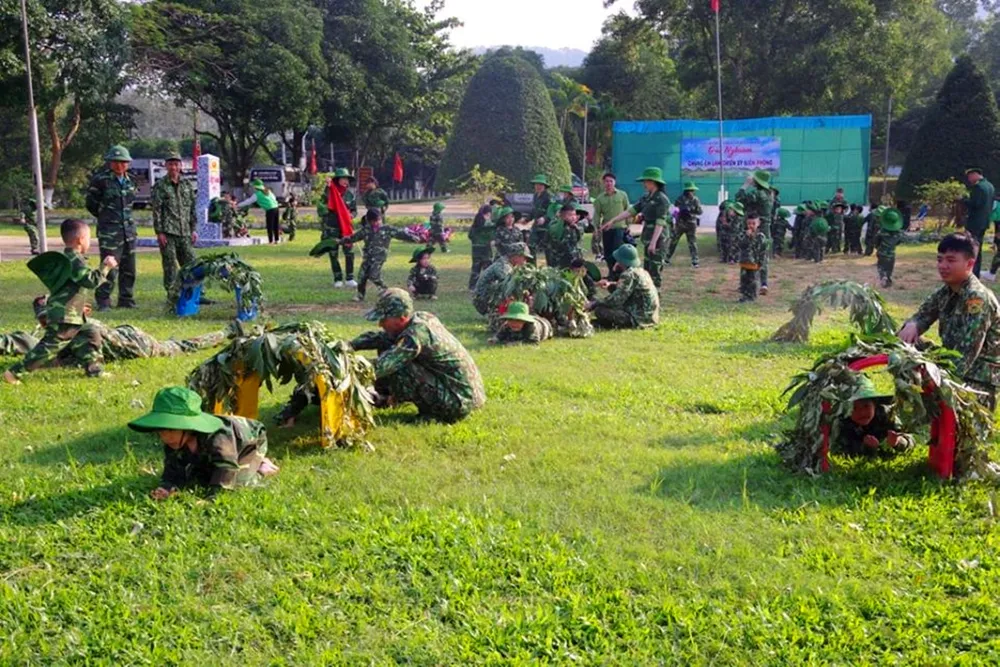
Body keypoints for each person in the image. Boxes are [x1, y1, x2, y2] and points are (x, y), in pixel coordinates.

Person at [3, 218, 117, 384]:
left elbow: (70, 288)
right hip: (65, 315)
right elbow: (90, 281)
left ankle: (95, 369)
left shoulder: (70, 258)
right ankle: (14, 373)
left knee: (91, 333)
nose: (90, 243)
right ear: (80, 240)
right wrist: (105, 267)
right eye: (88, 238)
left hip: (72, 313)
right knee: (49, 347)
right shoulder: (74, 260)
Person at [350, 289, 486, 422]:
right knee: (386, 343)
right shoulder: (418, 319)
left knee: (401, 367)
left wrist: (348, 366)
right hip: (462, 394)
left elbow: (383, 366)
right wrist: (349, 345)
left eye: (384, 319)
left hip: (459, 402)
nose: (380, 324)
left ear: (401, 317)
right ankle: (386, 398)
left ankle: (435, 413)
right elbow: (380, 338)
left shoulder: (416, 335)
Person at [898, 232, 1000, 409]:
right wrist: (913, 324)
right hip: (952, 366)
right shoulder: (946, 292)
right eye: (940, 260)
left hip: (976, 380)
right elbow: (923, 314)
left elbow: (967, 353)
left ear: (969, 263)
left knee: (957, 433)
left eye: (951, 260)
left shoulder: (977, 298)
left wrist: (936, 379)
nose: (943, 266)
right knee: (905, 340)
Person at [128, 386, 279, 500]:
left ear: (188, 427)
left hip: (249, 440)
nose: (165, 437)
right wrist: (167, 487)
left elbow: (225, 466)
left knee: (237, 482)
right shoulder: (175, 441)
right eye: (160, 431)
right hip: (216, 449)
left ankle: (262, 466)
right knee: (198, 475)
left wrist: (212, 498)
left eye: (171, 430)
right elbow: (173, 468)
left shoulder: (218, 436)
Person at [2, 295, 227, 368]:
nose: (45, 324)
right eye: (42, 320)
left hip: (138, 345)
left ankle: (226, 332)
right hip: (115, 333)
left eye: (48, 318)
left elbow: (92, 364)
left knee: (181, 345)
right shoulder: (63, 327)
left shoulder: (84, 330)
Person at [86, 145, 136, 311]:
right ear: (110, 163)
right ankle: (104, 300)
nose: (119, 165)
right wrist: (106, 217)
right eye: (115, 162)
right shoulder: (101, 180)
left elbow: (130, 204)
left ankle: (126, 299)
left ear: (127, 163)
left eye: (122, 162)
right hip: (110, 232)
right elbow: (91, 204)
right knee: (109, 267)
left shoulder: (131, 180)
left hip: (128, 231)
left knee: (129, 268)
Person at [604, 167, 671, 288]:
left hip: (658, 238)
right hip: (648, 237)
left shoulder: (662, 199)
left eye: (645, 181)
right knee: (647, 269)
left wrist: (653, 243)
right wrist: (613, 221)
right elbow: (631, 211)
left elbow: (660, 222)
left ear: (653, 182)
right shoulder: (646, 197)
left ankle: (655, 296)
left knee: (655, 270)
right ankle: (647, 294)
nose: (644, 184)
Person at [340, 209, 413, 301]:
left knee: (373, 275)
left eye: (379, 220)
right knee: (362, 276)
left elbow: (402, 234)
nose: (377, 222)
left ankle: (385, 290)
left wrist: (415, 237)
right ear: (369, 221)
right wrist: (340, 241)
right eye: (374, 221)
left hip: (379, 256)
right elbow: (353, 238)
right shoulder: (366, 230)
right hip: (368, 256)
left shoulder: (387, 229)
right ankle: (360, 295)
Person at [150, 152, 197, 293]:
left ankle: (195, 293)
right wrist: (159, 232)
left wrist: (193, 229)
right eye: (170, 164)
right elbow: (157, 210)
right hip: (168, 233)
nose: (173, 167)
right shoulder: (160, 186)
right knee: (170, 266)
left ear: (181, 166)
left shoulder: (187, 185)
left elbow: (192, 209)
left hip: (185, 233)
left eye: (176, 164)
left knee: (192, 264)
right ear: (166, 166)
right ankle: (172, 295)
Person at [834, 377, 914, 459]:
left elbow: (910, 439)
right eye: (854, 408)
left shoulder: (886, 415)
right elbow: (840, 449)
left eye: (866, 406)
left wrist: (898, 442)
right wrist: (866, 447)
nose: (862, 412)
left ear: (875, 405)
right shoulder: (843, 423)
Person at [586, 244, 659, 329]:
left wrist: (593, 304)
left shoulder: (628, 275)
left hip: (638, 319)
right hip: (649, 317)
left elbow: (615, 300)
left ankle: (613, 325)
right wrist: (611, 284)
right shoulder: (642, 272)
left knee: (600, 310)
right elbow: (628, 287)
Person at [316, 168, 358, 288]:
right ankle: (338, 278)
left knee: (349, 252)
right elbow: (320, 207)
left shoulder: (350, 195)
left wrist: (351, 215)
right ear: (337, 180)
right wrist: (329, 211)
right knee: (333, 253)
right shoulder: (328, 192)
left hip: (345, 227)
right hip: (332, 227)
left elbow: (354, 210)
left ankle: (350, 278)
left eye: (347, 179)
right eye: (343, 178)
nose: (346, 181)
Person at [736, 170, 774, 294]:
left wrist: (745, 185)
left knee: (748, 253)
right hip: (765, 227)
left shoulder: (758, 194)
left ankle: (747, 283)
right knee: (762, 255)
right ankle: (763, 283)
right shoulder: (769, 193)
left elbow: (739, 198)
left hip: (754, 226)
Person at [473, 243, 531, 316]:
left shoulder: (508, 264)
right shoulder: (503, 266)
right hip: (483, 301)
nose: (525, 261)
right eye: (524, 258)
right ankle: (498, 312)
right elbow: (510, 285)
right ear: (515, 256)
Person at [594, 172, 631, 272]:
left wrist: (628, 225)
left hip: (620, 228)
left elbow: (628, 210)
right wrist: (596, 228)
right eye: (606, 181)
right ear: (603, 183)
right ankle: (611, 272)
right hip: (607, 229)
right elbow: (597, 214)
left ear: (615, 182)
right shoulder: (599, 199)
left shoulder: (622, 195)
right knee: (608, 252)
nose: (609, 183)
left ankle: (619, 272)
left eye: (611, 181)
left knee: (618, 251)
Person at [963, 167, 996, 277]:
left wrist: (963, 200)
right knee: (978, 247)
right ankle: (976, 272)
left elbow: (975, 204)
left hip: (975, 222)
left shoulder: (978, 187)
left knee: (972, 247)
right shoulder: (990, 186)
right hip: (984, 221)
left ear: (975, 174)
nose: (969, 179)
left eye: (969, 176)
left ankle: (971, 271)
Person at [667, 181, 702, 268]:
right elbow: (675, 211)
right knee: (674, 241)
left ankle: (695, 261)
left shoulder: (695, 200)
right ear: (686, 191)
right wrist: (680, 212)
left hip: (691, 225)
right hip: (680, 224)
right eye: (690, 190)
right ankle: (666, 259)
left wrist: (690, 210)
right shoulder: (680, 199)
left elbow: (700, 212)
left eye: (692, 190)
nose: (692, 192)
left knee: (692, 243)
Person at [487, 301, 553, 345]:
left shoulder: (531, 327)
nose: (514, 323)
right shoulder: (506, 325)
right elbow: (500, 335)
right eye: (511, 320)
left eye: (518, 321)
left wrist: (515, 343)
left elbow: (533, 342)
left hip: (545, 324)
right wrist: (495, 339)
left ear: (524, 321)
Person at [237, 179, 281, 244]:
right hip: (276, 208)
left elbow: (248, 201)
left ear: (256, 187)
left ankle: (271, 241)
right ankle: (276, 240)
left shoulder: (257, 194)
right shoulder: (268, 191)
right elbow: (274, 198)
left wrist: (238, 205)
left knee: (270, 226)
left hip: (270, 210)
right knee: (275, 225)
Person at [736, 212, 767, 303]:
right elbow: (740, 245)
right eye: (749, 223)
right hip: (744, 261)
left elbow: (763, 250)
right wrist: (746, 236)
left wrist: (761, 263)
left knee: (753, 280)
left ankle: (752, 296)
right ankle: (744, 295)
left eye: (754, 223)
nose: (751, 226)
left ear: (758, 224)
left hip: (754, 262)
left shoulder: (760, 236)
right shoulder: (743, 234)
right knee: (744, 279)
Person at [547, 203, 584, 269]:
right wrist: (562, 222)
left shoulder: (575, 227)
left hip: (573, 260)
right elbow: (556, 233)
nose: (573, 217)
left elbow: (577, 241)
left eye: (574, 214)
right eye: (570, 215)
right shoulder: (556, 226)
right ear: (562, 216)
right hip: (559, 261)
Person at [528, 174, 553, 264]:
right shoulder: (535, 196)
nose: (538, 187)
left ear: (544, 186)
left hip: (546, 227)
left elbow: (552, 211)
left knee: (548, 249)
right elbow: (534, 210)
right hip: (536, 226)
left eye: (540, 185)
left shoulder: (548, 197)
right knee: (531, 246)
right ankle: (531, 267)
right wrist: (526, 219)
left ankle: (551, 268)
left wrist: (544, 218)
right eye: (536, 184)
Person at [468, 204, 495, 290]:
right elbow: (492, 237)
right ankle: (489, 286)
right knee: (488, 270)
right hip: (486, 251)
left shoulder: (475, 224)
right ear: (488, 213)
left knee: (475, 270)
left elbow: (470, 236)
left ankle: (472, 286)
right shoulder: (488, 225)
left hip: (476, 251)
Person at [876, 207, 904, 287]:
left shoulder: (881, 232)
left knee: (881, 266)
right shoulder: (898, 233)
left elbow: (876, 241)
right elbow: (898, 242)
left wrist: (877, 246)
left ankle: (883, 277)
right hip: (891, 253)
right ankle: (888, 278)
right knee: (889, 268)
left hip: (882, 252)